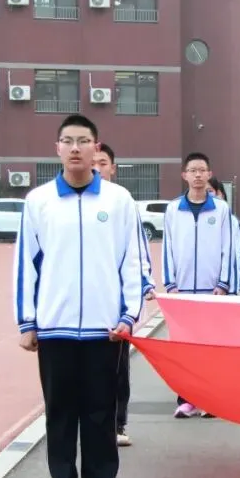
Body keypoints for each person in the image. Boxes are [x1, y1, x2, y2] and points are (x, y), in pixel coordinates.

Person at [14, 114, 153, 478]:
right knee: (59, 412)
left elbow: (135, 262)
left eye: (84, 141)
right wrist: (28, 321)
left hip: (105, 330)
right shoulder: (38, 202)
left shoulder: (118, 201)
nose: (76, 148)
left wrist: (129, 316)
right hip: (54, 327)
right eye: (68, 141)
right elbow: (27, 265)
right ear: (56, 148)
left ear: (97, 148)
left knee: (99, 413)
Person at [161, 152, 233, 419]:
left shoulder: (221, 209)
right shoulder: (173, 209)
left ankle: (211, 400)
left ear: (209, 174)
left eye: (202, 170)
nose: (198, 175)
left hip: (211, 290)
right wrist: (171, 285)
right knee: (184, 350)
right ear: (185, 175)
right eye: (193, 170)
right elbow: (168, 248)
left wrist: (223, 283)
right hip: (182, 292)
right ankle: (187, 400)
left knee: (211, 347)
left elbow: (228, 247)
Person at [92, 143, 146, 448]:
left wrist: (142, 290)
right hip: (86, 305)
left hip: (116, 304)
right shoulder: (79, 204)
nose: (97, 167)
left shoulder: (123, 203)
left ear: (113, 167)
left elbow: (137, 253)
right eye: (94, 162)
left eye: (103, 163)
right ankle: (88, 424)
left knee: (116, 368)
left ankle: (117, 422)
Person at [208, 176, 240, 297]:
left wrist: (233, 286)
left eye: (210, 191)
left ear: (221, 194)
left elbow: (238, 254)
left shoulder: (232, 221)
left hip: (225, 289)